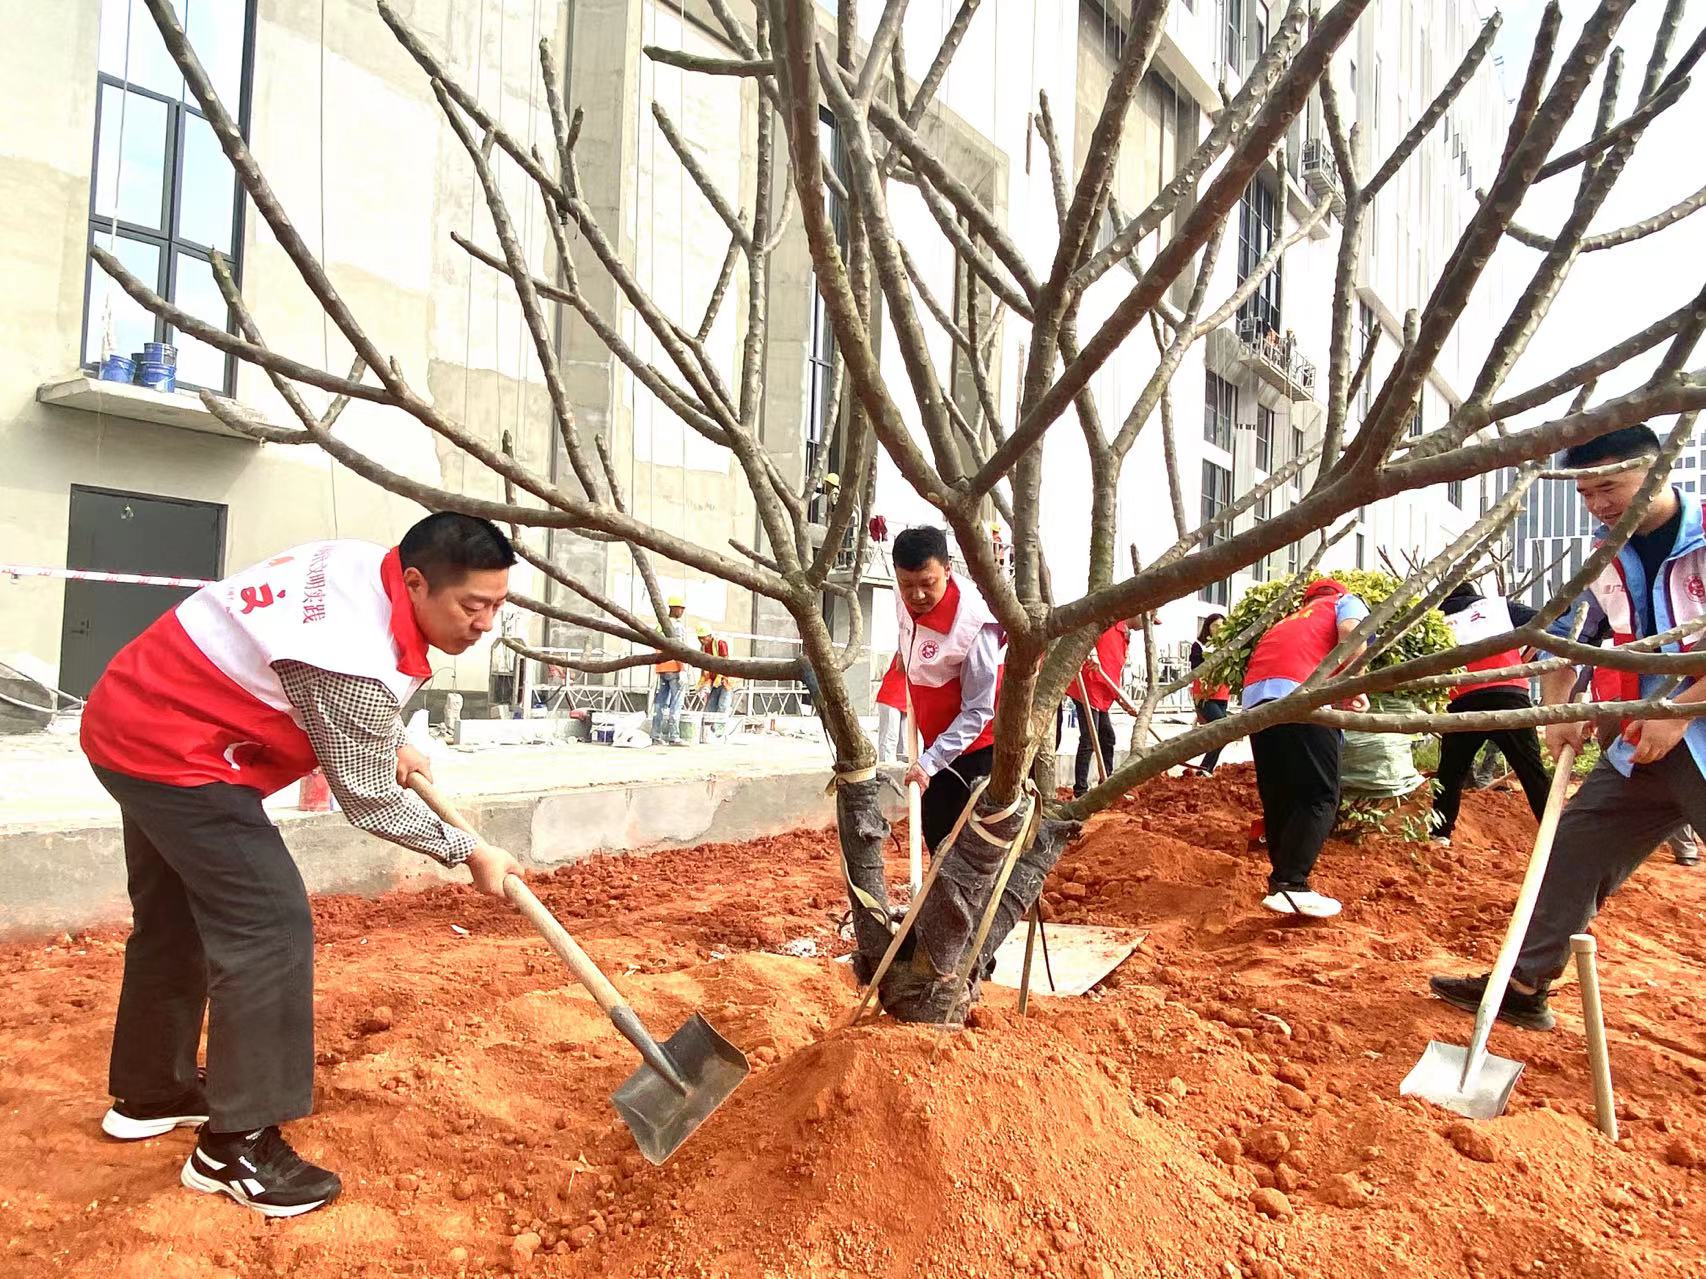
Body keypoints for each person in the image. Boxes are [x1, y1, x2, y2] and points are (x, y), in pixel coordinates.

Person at [78, 513, 524, 1217]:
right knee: (269, 923)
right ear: (415, 581)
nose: (487, 623)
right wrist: (466, 849)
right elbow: (369, 797)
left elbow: (344, 699)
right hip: (176, 750)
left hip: (133, 710)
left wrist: (388, 736)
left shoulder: (360, 568)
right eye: (474, 606)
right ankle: (237, 1144)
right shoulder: (343, 645)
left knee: (176, 918)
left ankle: (151, 1093)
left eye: (499, 604)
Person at [1431, 424, 1706, 1030]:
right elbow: (1571, 640)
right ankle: (1525, 982)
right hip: (1638, 746)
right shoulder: (1602, 555)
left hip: (1692, 733)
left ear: (1658, 471)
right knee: (1573, 847)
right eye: (1586, 493)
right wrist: (1562, 711)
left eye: (1609, 486)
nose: (1599, 504)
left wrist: (1681, 709)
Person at [1242, 578, 1371, 918]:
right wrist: (1356, 685)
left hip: (1256, 704)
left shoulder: (1290, 619)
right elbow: (1351, 635)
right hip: (1303, 697)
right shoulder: (1343, 602)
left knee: (1280, 795)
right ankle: (1291, 884)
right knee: (1320, 796)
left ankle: (1281, 883)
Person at [894, 526, 1004, 853]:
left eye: (927, 584)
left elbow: (978, 711)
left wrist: (930, 763)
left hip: (975, 749)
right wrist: (904, 654)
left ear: (948, 569)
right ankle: (939, 900)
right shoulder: (903, 594)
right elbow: (907, 628)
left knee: (968, 847)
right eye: (907, 585)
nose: (917, 596)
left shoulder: (973, 624)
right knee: (936, 833)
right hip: (935, 739)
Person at [1427, 582, 1553, 844]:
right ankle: (1556, 833)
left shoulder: (1437, 618)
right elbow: (1545, 621)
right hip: (1510, 695)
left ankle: (1439, 835)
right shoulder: (1497, 608)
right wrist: (1525, 657)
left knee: (1451, 773)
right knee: (1532, 773)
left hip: (1464, 699)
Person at [1072, 620, 1130, 796]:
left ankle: (1106, 782)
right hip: (1089, 688)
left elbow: (1113, 671)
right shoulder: (1109, 624)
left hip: (1103, 693)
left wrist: (1121, 698)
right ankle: (1080, 791)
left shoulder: (1125, 634)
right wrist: (1092, 652)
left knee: (1107, 736)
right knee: (1090, 739)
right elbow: (1085, 637)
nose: (1147, 623)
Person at [1190, 613, 1232, 773]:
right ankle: (1204, 769)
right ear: (1207, 627)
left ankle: (1206, 769)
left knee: (1222, 734)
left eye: (1221, 626)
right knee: (1223, 729)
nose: (1218, 629)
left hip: (1222, 695)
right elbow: (1196, 669)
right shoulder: (1199, 645)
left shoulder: (1229, 644)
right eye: (1214, 626)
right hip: (1204, 696)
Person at [651, 596, 689, 746]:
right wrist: (682, 669)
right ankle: (674, 736)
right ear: (675, 608)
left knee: (660, 704)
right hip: (674, 668)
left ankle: (656, 735)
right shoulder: (677, 627)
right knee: (676, 704)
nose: (682, 612)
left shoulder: (660, 625)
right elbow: (678, 648)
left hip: (662, 668)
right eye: (682, 608)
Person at [695, 624, 734, 715]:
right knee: (710, 709)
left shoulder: (720, 643)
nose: (701, 640)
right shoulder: (703, 648)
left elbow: (725, 661)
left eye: (703, 638)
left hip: (725, 681)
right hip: (714, 682)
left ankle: (720, 728)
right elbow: (703, 665)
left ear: (709, 636)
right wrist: (702, 680)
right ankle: (709, 728)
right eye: (699, 638)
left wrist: (720, 676)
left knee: (723, 707)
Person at [874, 654, 907, 763]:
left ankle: (903, 774)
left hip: (907, 699)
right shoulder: (907, 645)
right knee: (890, 738)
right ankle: (886, 771)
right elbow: (901, 666)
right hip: (892, 695)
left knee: (905, 743)